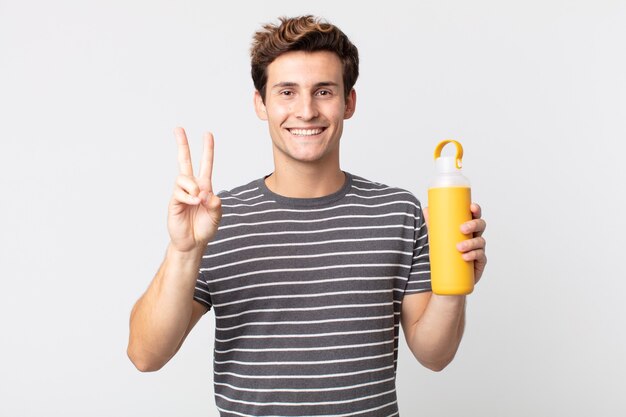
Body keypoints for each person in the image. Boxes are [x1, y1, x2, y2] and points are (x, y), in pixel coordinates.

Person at [127, 15, 487, 416]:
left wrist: (454, 288)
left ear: (348, 102)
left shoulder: (398, 212)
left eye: (324, 91)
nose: (306, 110)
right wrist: (184, 251)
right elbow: (145, 355)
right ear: (260, 103)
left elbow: (434, 355)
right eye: (286, 92)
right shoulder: (215, 219)